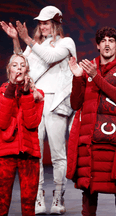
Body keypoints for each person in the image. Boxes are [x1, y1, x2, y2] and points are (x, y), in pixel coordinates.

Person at [1, 5, 77, 214]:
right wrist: (17, 39)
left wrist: (28, 40)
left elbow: (51, 58)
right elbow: (22, 62)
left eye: (47, 22)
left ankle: (58, 198)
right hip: (35, 100)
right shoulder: (36, 44)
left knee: (58, 153)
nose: (43, 26)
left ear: (56, 23)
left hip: (56, 102)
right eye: (41, 23)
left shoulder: (66, 43)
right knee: (37, 153)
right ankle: (38, 197)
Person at [66, 26, 116, 216]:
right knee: (89, 188)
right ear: (98, 46)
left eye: (111, 40)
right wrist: (77, 77)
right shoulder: (86, 70)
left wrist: (95, 76)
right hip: (90, 137)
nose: (107, 43)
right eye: (103, 40)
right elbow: (76, 104)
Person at [0, 54, 44, 215]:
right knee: (1, 201)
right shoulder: (1, 93)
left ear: (27, 71)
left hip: (29, 154)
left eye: (22, 65)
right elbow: (3, 123)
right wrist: (10, 90)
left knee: (28, 204)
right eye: (14, 65)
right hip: (5, 154)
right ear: (8, 70)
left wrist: (26, 95)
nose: (18, 68)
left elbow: (32, 123)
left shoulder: (37, 94)